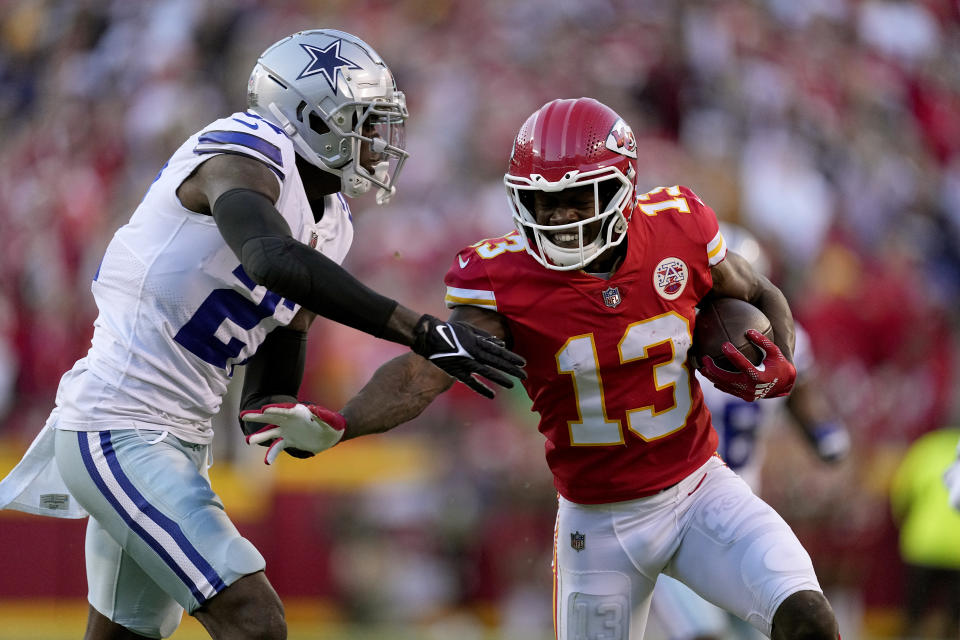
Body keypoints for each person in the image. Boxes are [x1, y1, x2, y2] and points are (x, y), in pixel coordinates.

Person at [247, 97, 840, 639]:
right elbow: (422, 373)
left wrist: (781, 358)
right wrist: (344, 424)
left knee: (808, 619)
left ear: (622, 187)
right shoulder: (501, 281)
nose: (557, 215)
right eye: (540, 200)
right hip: (600, 525)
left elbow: (762, 291)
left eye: (576, 196)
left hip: (701, 490)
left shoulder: (678, 227)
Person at [0, 29, 524, 640]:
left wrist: (290, 417)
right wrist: (417, 328)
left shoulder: (331, 223)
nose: (378, 144)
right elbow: (270, 257)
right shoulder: (243, 153)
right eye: (364, 122)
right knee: (255, 620)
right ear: (310, 114)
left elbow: (272, 370)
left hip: (179, 437)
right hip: (117, 425)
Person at [648, 223, 851, 640]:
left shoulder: (773, 337)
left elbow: (800, 385)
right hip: (673, 513)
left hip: (740, 510)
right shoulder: (663, 339)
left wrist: (822, 431)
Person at [890, 427, 960, 638]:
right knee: (954, 619)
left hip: (923, 545)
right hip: (957, 550)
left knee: (914, 614)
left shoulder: (926, 449)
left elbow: (901, 494)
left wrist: (903, 524)